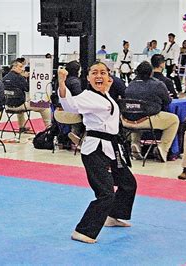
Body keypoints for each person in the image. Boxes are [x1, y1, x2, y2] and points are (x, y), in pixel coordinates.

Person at [58, 61, 137, 244]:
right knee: (105, 193)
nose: (98, 76)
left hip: (112, 147)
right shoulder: (87, 97)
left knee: (128, 184)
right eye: (94, 72)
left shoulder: (107, 95)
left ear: (109, 77)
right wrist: (62, 83)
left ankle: (115, 216)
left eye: (102, 72)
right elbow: (70, 105)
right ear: (88, 77)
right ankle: (83, 231)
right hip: (95, 149)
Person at [122, 61, 180, 162]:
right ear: (151, 73)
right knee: (174, 119)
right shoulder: (158, 84)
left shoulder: (131, 84)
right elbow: (167, 101)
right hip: (145, 120)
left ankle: (135, 144)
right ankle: (163, 149)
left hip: (127, 121)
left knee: (136, 113)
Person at [2, 59, 51, 132]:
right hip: (19, 106)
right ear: (14, 67)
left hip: (7, 106)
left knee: (19, 102)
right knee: (44, 106)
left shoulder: (4, 78)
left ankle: (22, 126)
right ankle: (49, 127)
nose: (23, 69)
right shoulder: (19, 78)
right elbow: (27, 89)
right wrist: (25, 78)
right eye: (20, 67)